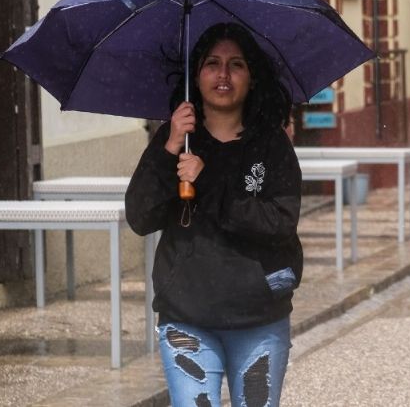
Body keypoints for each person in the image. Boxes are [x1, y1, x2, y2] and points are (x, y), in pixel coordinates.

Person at [125, 23, 300, 407]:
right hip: (188, 319)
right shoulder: (176, 142)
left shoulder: (271, 145)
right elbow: (139, 216)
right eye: (212, 63)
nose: (223, 74)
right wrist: (169, 145)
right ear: (196, 76)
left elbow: (279, 225)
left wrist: (210, 185)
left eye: (236, 64)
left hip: (260, 320)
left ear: (252, 78)